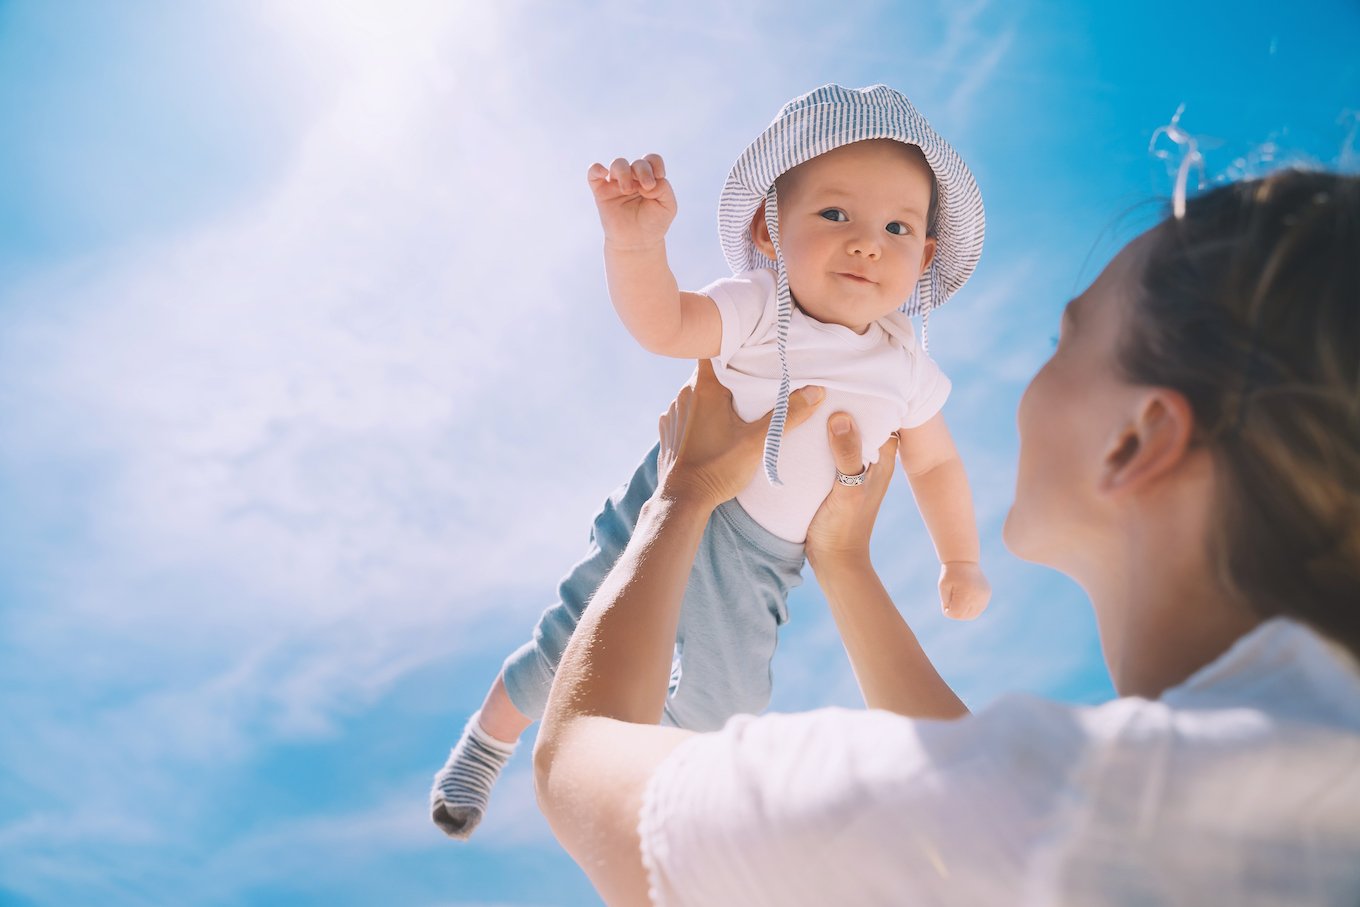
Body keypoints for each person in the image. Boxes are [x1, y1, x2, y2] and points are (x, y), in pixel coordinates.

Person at [532, 169, 1360, 905]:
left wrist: (682, 492)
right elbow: (969, 773)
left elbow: (577, 761)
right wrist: (846, 561)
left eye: (1064, 340)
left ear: (1133, 441)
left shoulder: (1106, 805)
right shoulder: (1303, 763)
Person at [432, 84, 992, 839]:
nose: (867, 242)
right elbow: (667, 325)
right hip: (669, 496)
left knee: (728, 700)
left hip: (763, 556)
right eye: (835, 215)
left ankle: (651, 796)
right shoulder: (763, 306)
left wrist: (961, 559)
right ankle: (487, 741)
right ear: (770, 228)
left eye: (897, 227)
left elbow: (935, 467)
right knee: (570, 640)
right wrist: (636, 247)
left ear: (924, 256)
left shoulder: (907, 366)